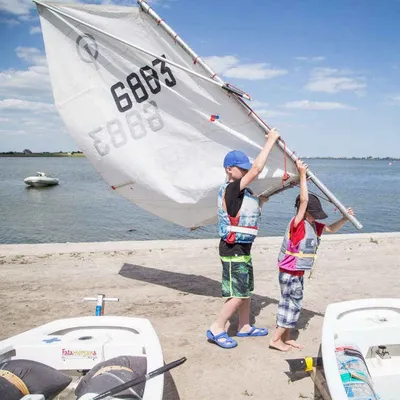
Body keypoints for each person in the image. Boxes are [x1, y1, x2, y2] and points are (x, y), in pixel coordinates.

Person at [269, 159, 355, 351]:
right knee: (292, 304)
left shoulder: (314, 225)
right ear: (304, 211)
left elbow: (331, 229)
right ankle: (275, 340)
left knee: (289, 302)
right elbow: (304, 200)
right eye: (312, 213)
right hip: (290, 272)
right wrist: (302, 175)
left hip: (297, 272)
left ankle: (286, 337)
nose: (315, 216)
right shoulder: (297, 223)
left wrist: (345, 218)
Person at [206, 128, 281, 349]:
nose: (247, 171)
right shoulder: (231, 189)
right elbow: (257, 168)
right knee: (237, 293)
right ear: (229, 170)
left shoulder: (243, 194)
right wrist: (271, 141)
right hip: (232, 249)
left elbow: (255, 204)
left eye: (246, 169)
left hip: (243, 248)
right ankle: (217, 327)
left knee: (246, 289)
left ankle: (244, 326)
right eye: (242, 169)